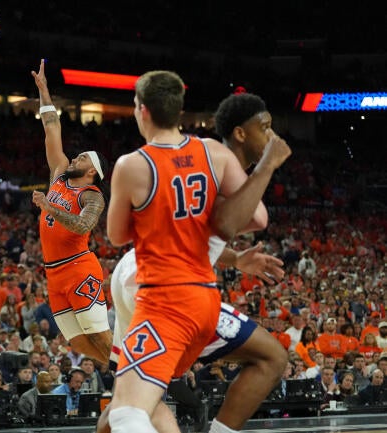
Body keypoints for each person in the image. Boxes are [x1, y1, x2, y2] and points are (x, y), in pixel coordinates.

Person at [104, 71, 290, 433]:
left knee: (131, 398)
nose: (273, 137)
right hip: (163, 288)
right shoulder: (212, 157)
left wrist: (234, 258)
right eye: (265, 128)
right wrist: (266, 168)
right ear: (240, 133)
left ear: (143, 110)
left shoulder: (144, 163)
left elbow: (151, 232)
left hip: (142, 277)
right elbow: (245, 220)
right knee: (271, 356)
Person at [29, 59, 113, 367]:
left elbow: (82, 226)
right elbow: (51, 127)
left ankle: (135, 378)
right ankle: (119, 372)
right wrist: (43, 90)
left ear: (92, 171)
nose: (75, 158)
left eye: (82, 158)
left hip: (79, 268)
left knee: (99, 335)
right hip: (53, 272)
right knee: (76, 341)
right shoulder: (59, 174)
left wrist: (49, 206)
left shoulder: (92, 195)